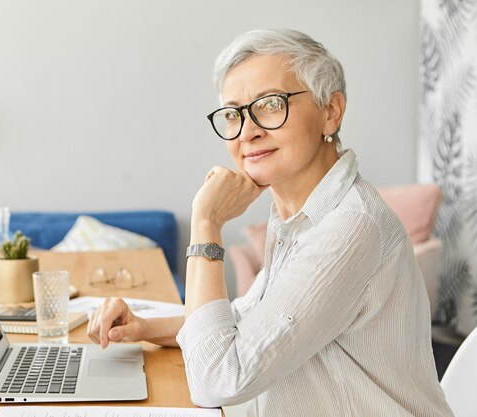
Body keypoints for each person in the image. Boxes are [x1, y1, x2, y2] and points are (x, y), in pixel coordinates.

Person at [87, 29, 453, 416]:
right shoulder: (295, 214)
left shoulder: (351, 228)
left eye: (270, 104)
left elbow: (217, 380)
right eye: (233, 114)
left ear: (331, 111)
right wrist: (144, 327)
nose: (247, 131)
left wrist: (206, 223)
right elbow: (250, 317)